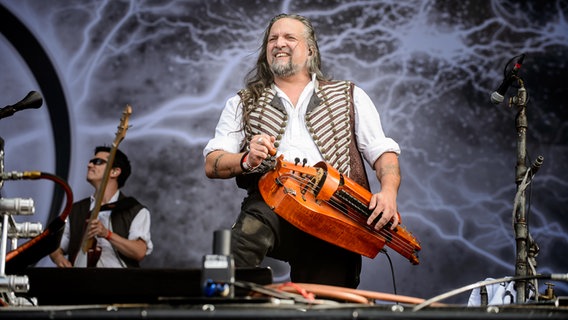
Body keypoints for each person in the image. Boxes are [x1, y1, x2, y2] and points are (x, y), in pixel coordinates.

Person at [203, 13, 401, 288]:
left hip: (334, 212)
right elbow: (213, 162)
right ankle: (217, 304)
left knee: (327, 304)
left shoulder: (350, 95)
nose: (279, 43)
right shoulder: (242, 103)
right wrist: (247, 159)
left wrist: (389, 193)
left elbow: (383, 152)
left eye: (289, 37)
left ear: (310, 50)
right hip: (272, 202)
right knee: (234, 258)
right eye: (273, 38)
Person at [50, 146, 152, 268]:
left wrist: (107, 234)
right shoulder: (76, 210)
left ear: (114, 172)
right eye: (90, 162)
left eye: (97, 162)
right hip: (80, 284)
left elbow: (139, 252)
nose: (89, 165)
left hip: (120, 284)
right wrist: (58, 258)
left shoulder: (135, 210)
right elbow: (57, 247)